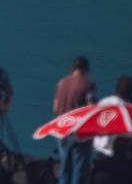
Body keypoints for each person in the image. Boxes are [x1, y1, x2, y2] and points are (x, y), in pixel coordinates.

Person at [53, 56, 97, 184]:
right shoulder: (88, 85)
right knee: (79, 170)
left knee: (64, 169)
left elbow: (55, 109)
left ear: (73, 69)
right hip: (79, 133)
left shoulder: (61, 83)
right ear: (86, 70)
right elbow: (91, 108)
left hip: (62, 131)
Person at [90, 76, 132, 184]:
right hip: (115, 155)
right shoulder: (127, 107)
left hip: (99, 151)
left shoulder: (103, 102)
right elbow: (130, 135)